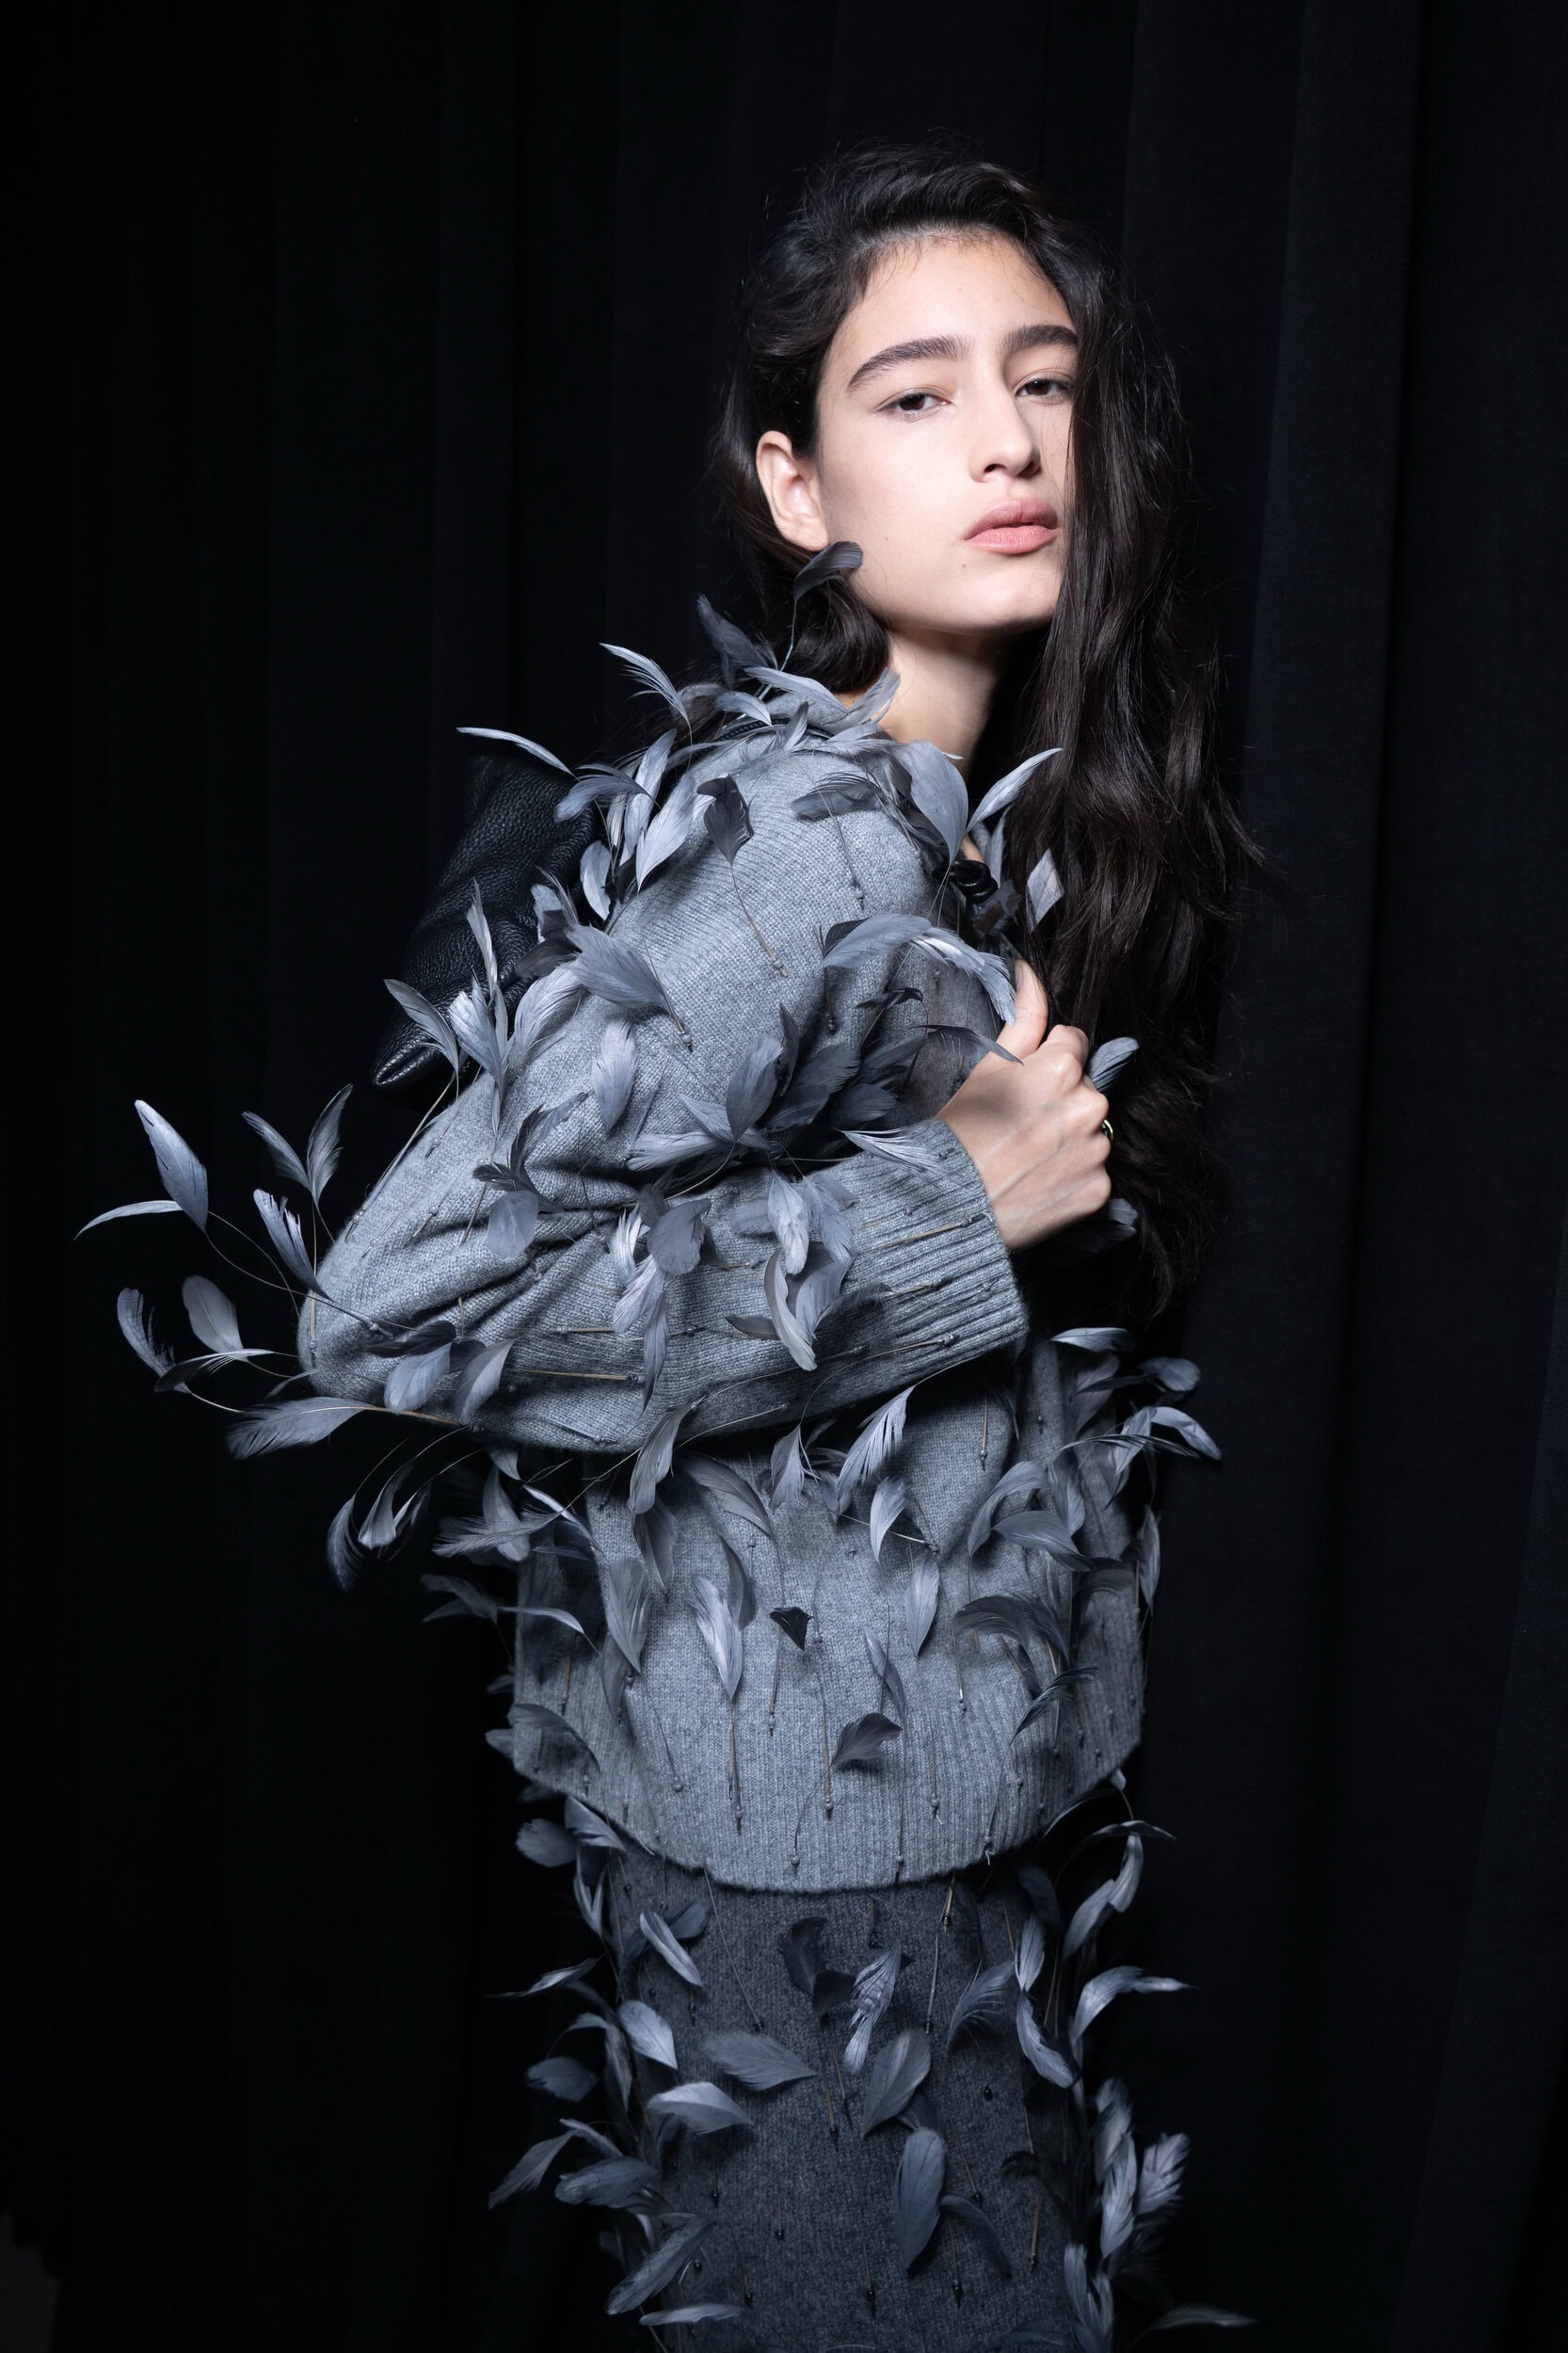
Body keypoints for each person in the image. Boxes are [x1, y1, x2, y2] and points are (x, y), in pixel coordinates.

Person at [95, 145, 1248, 2350]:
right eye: (914, 394)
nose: (1009, 440)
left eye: (1046, 381)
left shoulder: (932, 817)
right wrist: (952, 1210)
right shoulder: (809, 846)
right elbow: (391, 1301)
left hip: (905, 1802)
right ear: (793, 487)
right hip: (813, 1863)